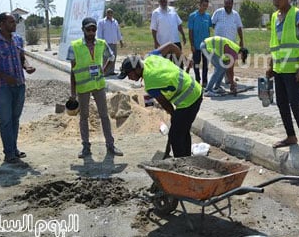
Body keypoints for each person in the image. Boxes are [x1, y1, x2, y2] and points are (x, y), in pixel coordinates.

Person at [119, 45, 202, 158]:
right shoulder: (151, 57)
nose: (129, 78)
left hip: (190, 100)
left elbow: (166, 105)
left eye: (129, 74)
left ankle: (180, 164)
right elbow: (171, 46)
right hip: (195, 89)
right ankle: (186, 158)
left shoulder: (151, 82)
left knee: (175, 135)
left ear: (137, 69)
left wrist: (174, 115)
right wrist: (184, 59)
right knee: (182, 130)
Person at [0, 13, 36, 163]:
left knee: (15, 118)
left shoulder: (18, 39)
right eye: (11, 22)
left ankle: (14, 148)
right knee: (5, 120)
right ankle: (9, 153)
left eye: (14, 22)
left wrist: (27, 67)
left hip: (19, 85)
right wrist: (5, 77)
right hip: (3, 87)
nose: (14, 24)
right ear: (1, 24)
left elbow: (22, 58)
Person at [267, 0, 299, 154]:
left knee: (296, 104)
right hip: (279, 69)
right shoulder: (274, 17)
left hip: (294, 70)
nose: (275, 1)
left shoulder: (297, 14)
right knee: (281, 104)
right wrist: (271, 65)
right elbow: (274, 43)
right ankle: (291, 136)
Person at [67, 17, 123, 158]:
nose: (91, 32)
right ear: (83, 30)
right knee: (84, 117)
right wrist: (73, 93)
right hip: (83, 87)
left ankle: (110, 145)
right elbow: (73, 71)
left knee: (104, 115)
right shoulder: (74, 46)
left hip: (98, 85)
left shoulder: (102, 44)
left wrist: (104, 70)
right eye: (88, 29)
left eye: (94, 29)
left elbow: (111, 57)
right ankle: (86, 147)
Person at [211, 0, 244, 84]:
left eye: (229, 4)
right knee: (219, 63)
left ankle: (228, 79)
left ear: (232, 4)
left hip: (230, 44)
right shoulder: (218, 12)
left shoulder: (236, 14)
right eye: (226, 4)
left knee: (229, 63)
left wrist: (241, 40)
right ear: (224, 4)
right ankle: (218, 81)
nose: (228, 5)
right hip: (219, 44)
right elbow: (213, 24)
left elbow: (239, 27)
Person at [187, 0, 212, 87]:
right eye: (203, 5)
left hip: (206, 46)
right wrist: (192, 44)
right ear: (199, 5)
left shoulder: (208, 16)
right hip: (196, 45)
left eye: (206, 6)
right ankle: (197, 79)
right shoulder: (192, 16)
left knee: (205, 64)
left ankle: (205, 81)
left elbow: (208, 30)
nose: (205, 7)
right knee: (196, 64)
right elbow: (190, 31)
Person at [97, 8, 124, 76]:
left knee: (113, 57)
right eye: (108, 12)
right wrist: (101, 43)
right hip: (106, 43)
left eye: (111, 13)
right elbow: (99, 34)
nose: (110, 14)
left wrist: (120, 41)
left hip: (114, 43)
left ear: (112, 14)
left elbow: (118, 32)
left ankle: (111, 71)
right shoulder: (102, 22)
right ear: (106, 13)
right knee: (105, 58)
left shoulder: (115, 22)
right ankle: (105, 72)